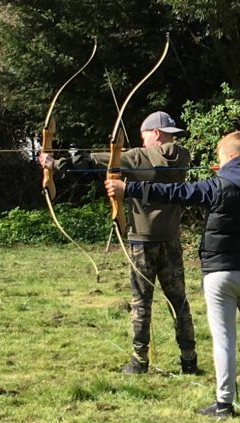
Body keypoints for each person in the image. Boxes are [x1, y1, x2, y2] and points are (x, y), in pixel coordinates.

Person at [107, 131, 240, 419]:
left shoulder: (216, 186)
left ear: (230, 158)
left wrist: (128, 188)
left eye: (221, 158)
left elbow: (172, 193)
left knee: (224, 340)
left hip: (219, 275)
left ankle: (223, 404)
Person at [83, 111, 198, 377]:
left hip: (142, 243)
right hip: (171, 241)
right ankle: (189, 359)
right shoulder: (184, 156)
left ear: (155, 133)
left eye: (145, 136)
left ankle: (138, 361)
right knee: (178, 301)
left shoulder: (139, 157)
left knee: (141, 302)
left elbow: (101, 159)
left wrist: (58, 162)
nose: (142, 141)